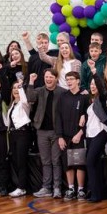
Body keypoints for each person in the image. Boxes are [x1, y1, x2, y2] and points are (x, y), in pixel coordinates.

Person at [26, 68, 66, 199]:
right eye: (46, 77)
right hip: (41, 130)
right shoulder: (39, 91)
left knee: (56, 160)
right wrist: (31, 82)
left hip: (56, 131)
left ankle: (57, 188)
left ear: (56, 78)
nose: (48, 79)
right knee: (45, 161)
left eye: (51, 77)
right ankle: (46, 187)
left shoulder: (62, 92)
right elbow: (30, 98)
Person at [55, 71, 88, 200]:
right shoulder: (63, 96)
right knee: (67, 163)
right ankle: (71, 188)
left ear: (78, 80)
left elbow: (88, 117)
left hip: (79, 136)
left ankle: (81, 190)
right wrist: (60, 136)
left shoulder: (84, 97)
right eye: (67, 79)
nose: (69, 82)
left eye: (71, 79)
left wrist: (80, 133)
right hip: (65, 136)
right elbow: (58, 117)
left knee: (79, 163)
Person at [84, 66, 107, 203]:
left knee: (90, 162)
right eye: (91, 84)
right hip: (90, 134)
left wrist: (94, 72)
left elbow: (102, 88)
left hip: (100, 132)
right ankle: (99, 192)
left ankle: (95, 193)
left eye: (95, 84)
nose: (93, 86)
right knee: (96, 163)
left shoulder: (103, 98)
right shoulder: (90, 100)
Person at [6, 77, 32, 198]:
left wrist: (21, 87)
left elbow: (24, 100)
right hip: (13, 135)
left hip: (22, 134)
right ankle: (18, 185)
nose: (16, 90)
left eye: (18, 88)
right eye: (14, 88)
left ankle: (22, 187)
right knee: (16, 160)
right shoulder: (12, 104)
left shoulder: (24, 104)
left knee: (21, 161)